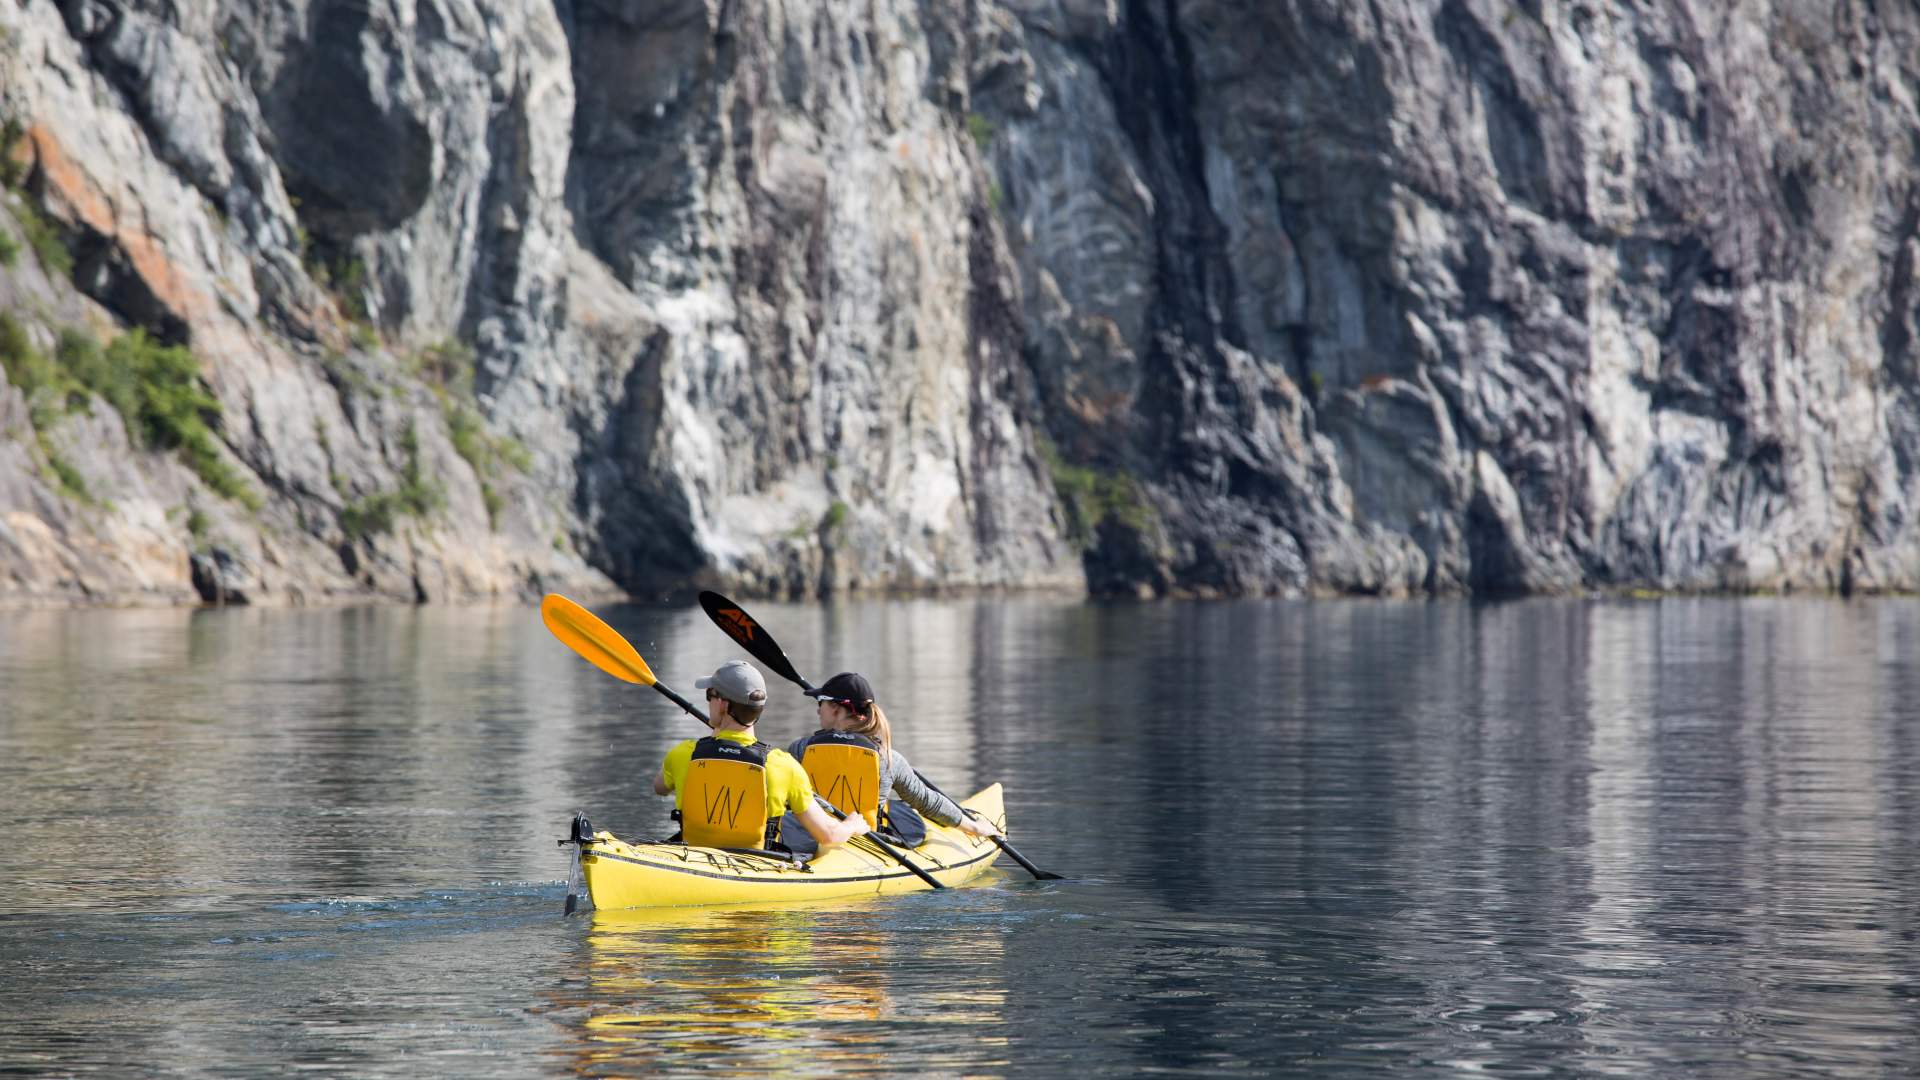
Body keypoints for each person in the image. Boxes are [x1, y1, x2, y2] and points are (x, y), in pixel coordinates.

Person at [653, 660, 868, 853]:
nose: (708, 701)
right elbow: (828, 836)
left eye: (710, 695)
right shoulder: (783, 765)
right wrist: (852, 825)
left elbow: (660, 788)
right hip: (757, 863)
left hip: (692, 858)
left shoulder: (684, 753)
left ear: (722, 704)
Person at [779, 671, 1003, 855]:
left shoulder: (799, 749)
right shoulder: (888, 758)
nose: (818, 709)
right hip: (868, 843)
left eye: (822, 703)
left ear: (836, 709)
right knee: (901, 812)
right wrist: (973, 826)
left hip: (808, 840)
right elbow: (926, 800)